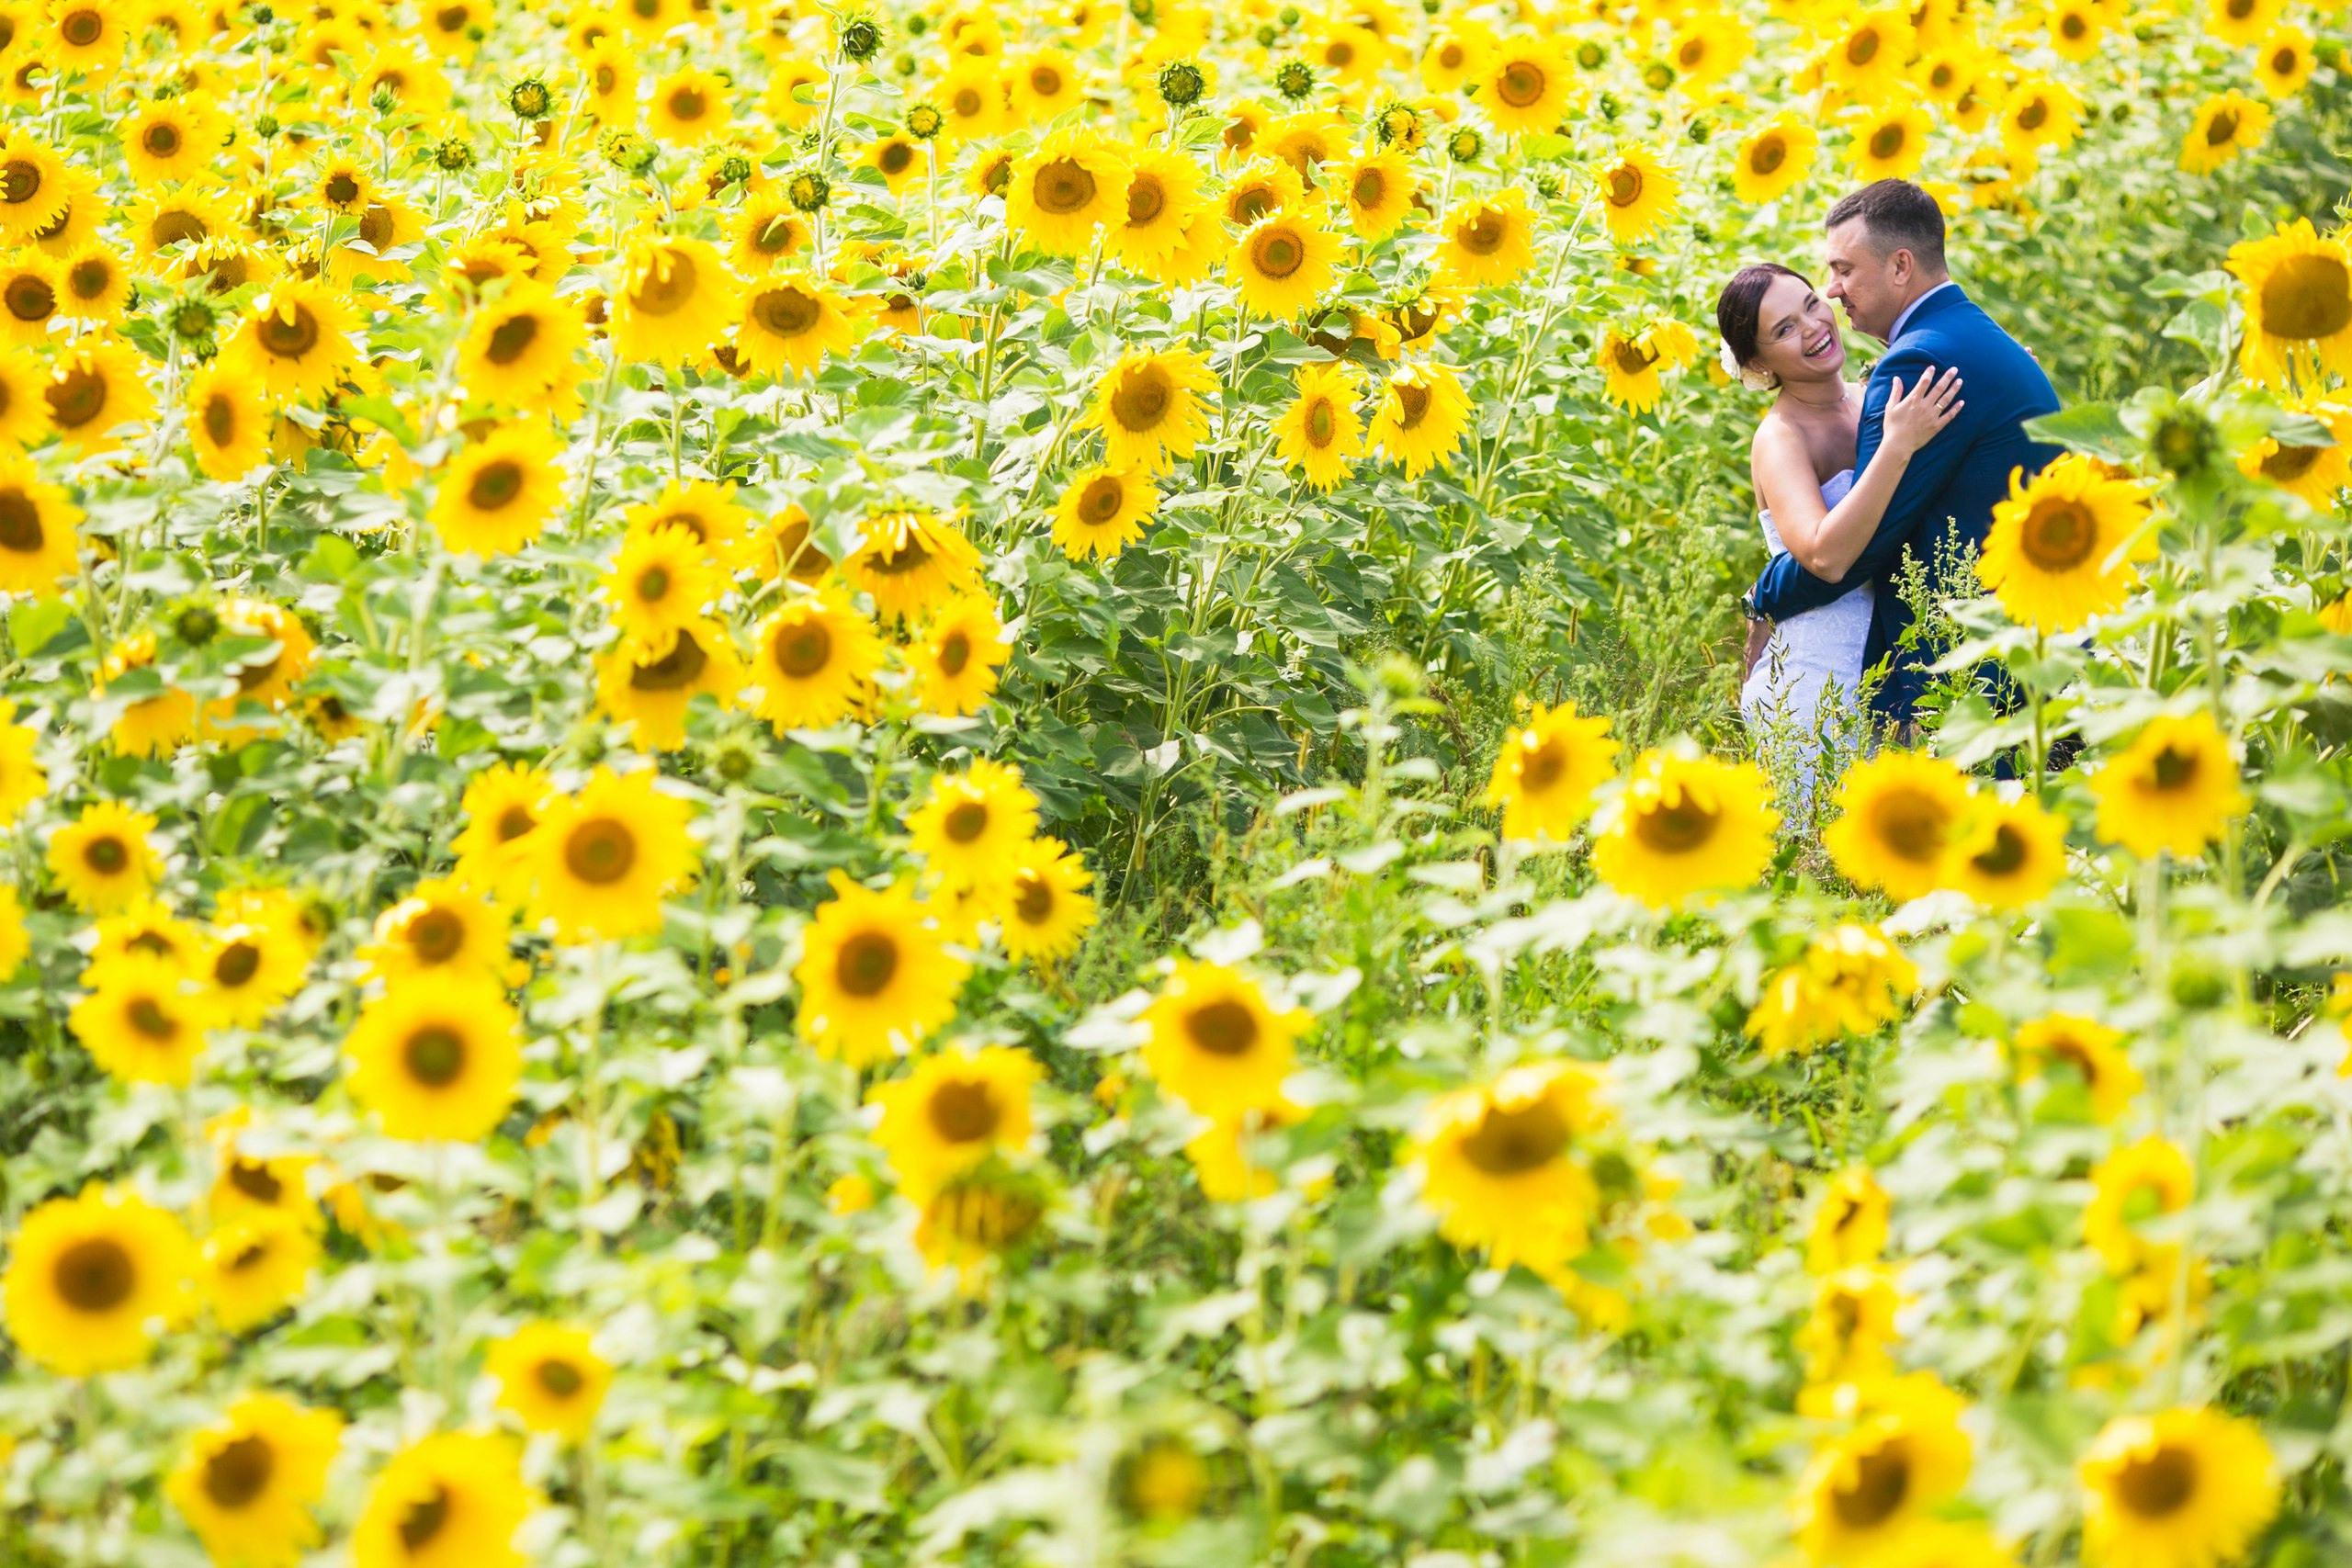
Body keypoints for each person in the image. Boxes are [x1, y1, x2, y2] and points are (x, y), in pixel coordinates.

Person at [1737, 179, 2064, 735]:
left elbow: (1857, 549)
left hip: (1979, 663)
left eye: (1842, 271)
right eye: (1785, 328)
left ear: (1900, 266)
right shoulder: (1973, 334)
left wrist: (1763, 597)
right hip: (2011, 639)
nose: (1833, 292)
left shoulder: (1916, 365)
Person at [1717, 260, 1963, 784]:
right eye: (1783, 329)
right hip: (1813, 685)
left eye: (1810, 304)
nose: (1812, 327)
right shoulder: (1780, 437)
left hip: (1887, 678)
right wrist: (1896, 446)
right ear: (1759, 363)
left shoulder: (1868, 397)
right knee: (1819, 862)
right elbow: (1825, 557)